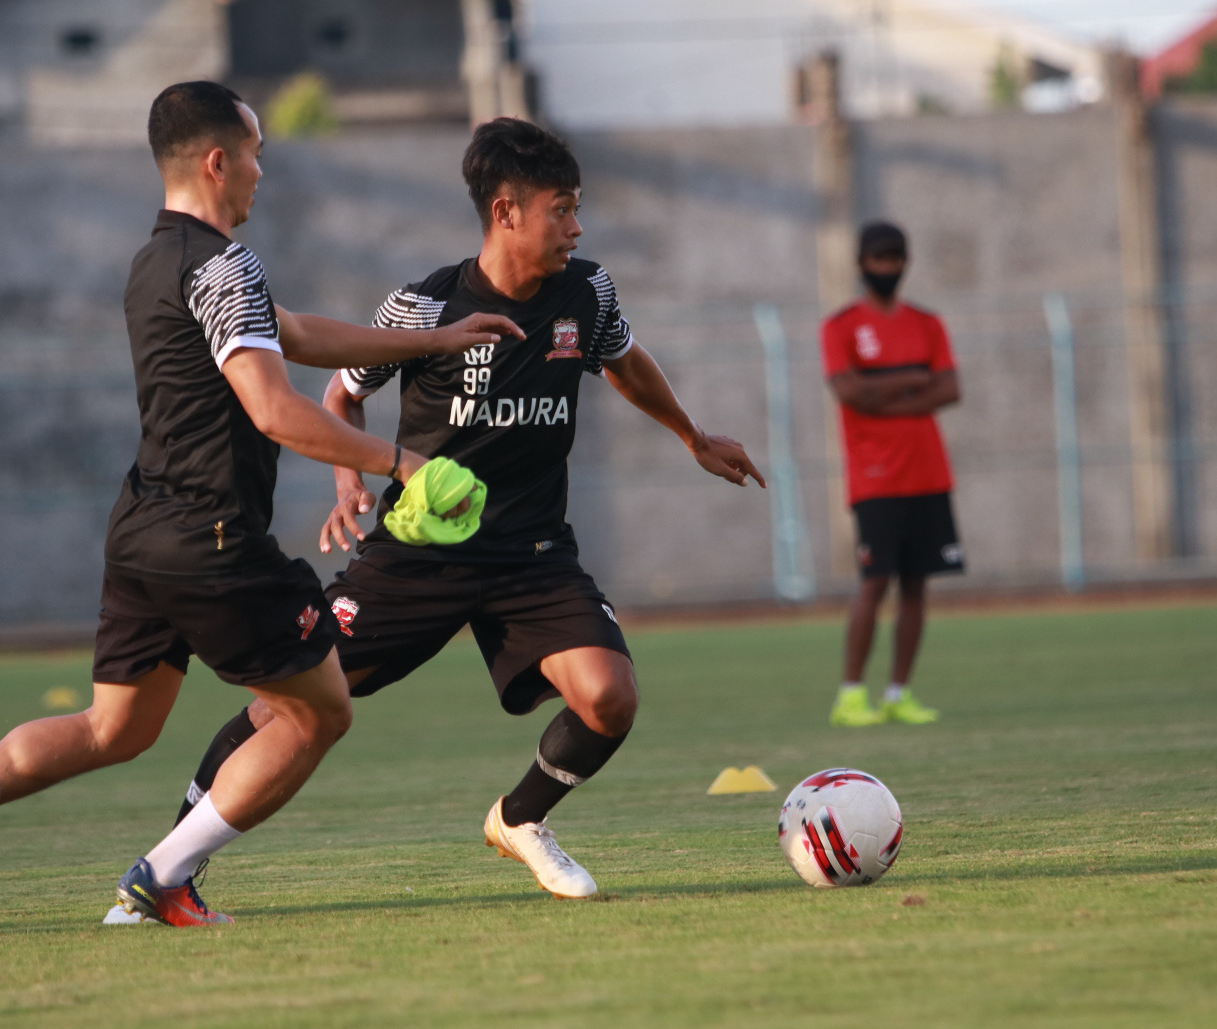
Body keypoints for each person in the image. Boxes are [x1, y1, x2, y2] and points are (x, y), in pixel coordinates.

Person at [0, 81, 520, 929]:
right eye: (256, 153)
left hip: (141, 531)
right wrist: (402, 461)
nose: (262, 171)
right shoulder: (223, 262)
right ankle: (163, 876)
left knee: (111, 728)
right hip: (215, 539)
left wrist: (434, 338)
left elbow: (294, 331)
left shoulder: (154, 261)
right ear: (216, 160)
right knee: (321, 711)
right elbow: (275, 408)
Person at [149, 116, 765, 905]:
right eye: (561, 209)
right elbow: (345, 386)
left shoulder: (589, 292)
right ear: (506, 211)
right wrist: (349, 475)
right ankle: (169, 867)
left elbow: (623, 361)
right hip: (417, 558)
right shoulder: (424, 305)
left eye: (577, 210)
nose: (575, 227)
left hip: (531, 554)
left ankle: (519, 819)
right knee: (286, 700)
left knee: (610, 695)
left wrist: (691, 434)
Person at [822, 221, 963, 728]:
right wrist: (911, 381)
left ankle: (900, 692)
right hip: (876, 477)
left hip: (928, 473)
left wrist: (882, 393)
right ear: (861, 264)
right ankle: (852, 694)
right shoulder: (840, 327)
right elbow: (849, 393)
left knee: (917, 585)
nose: (888, 268)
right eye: (879, 259)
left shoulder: (927, 323)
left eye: (895, 258)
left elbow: (950, 389)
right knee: (874, 581)